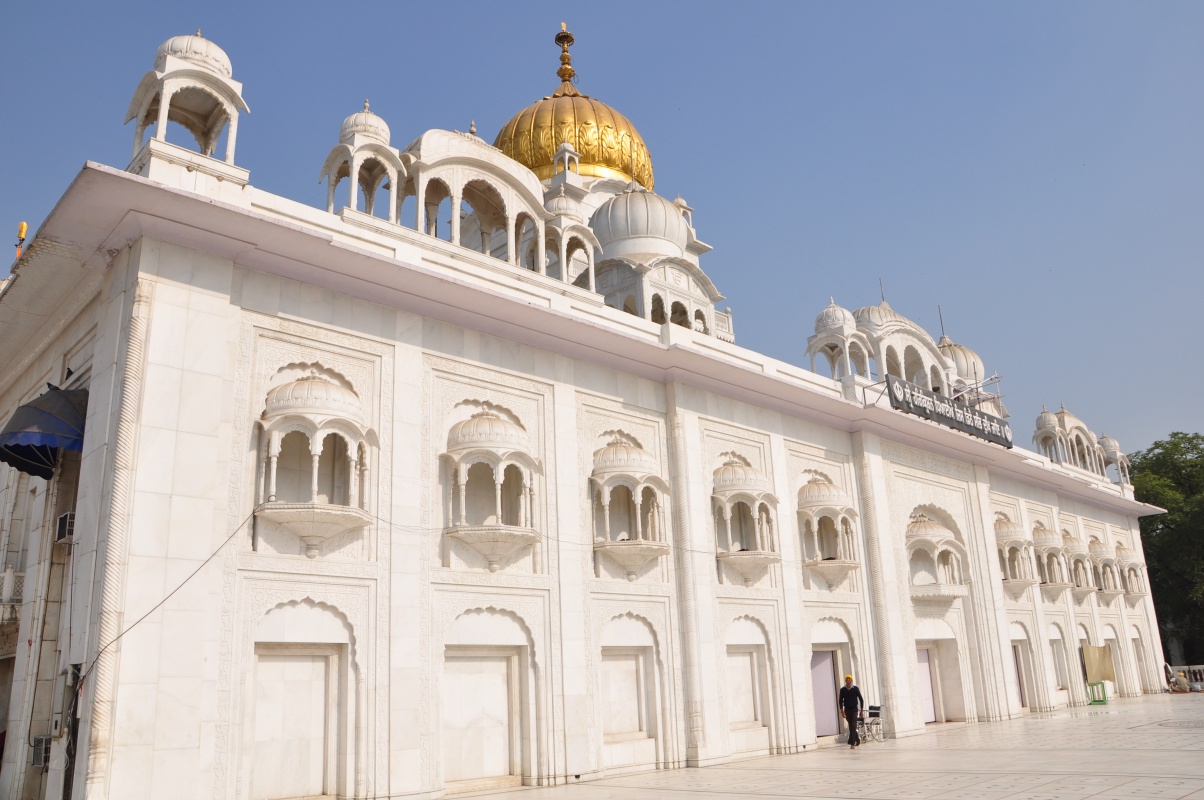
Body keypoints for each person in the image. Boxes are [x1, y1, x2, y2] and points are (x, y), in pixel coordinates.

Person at [839, 674, 865, 749]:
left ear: (851, 680)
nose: (848, 680)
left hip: (854, 709)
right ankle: (857, 740)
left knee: (853, 725)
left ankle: (852, 743)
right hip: (847, 710)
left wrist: (861, 710)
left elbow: (861, 699)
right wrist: (842, 710)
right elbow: (840, 701)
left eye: (849, 679)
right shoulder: (843, 690)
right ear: (845, 680)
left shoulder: (855, 689)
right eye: (847, 679)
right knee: (851, 726)